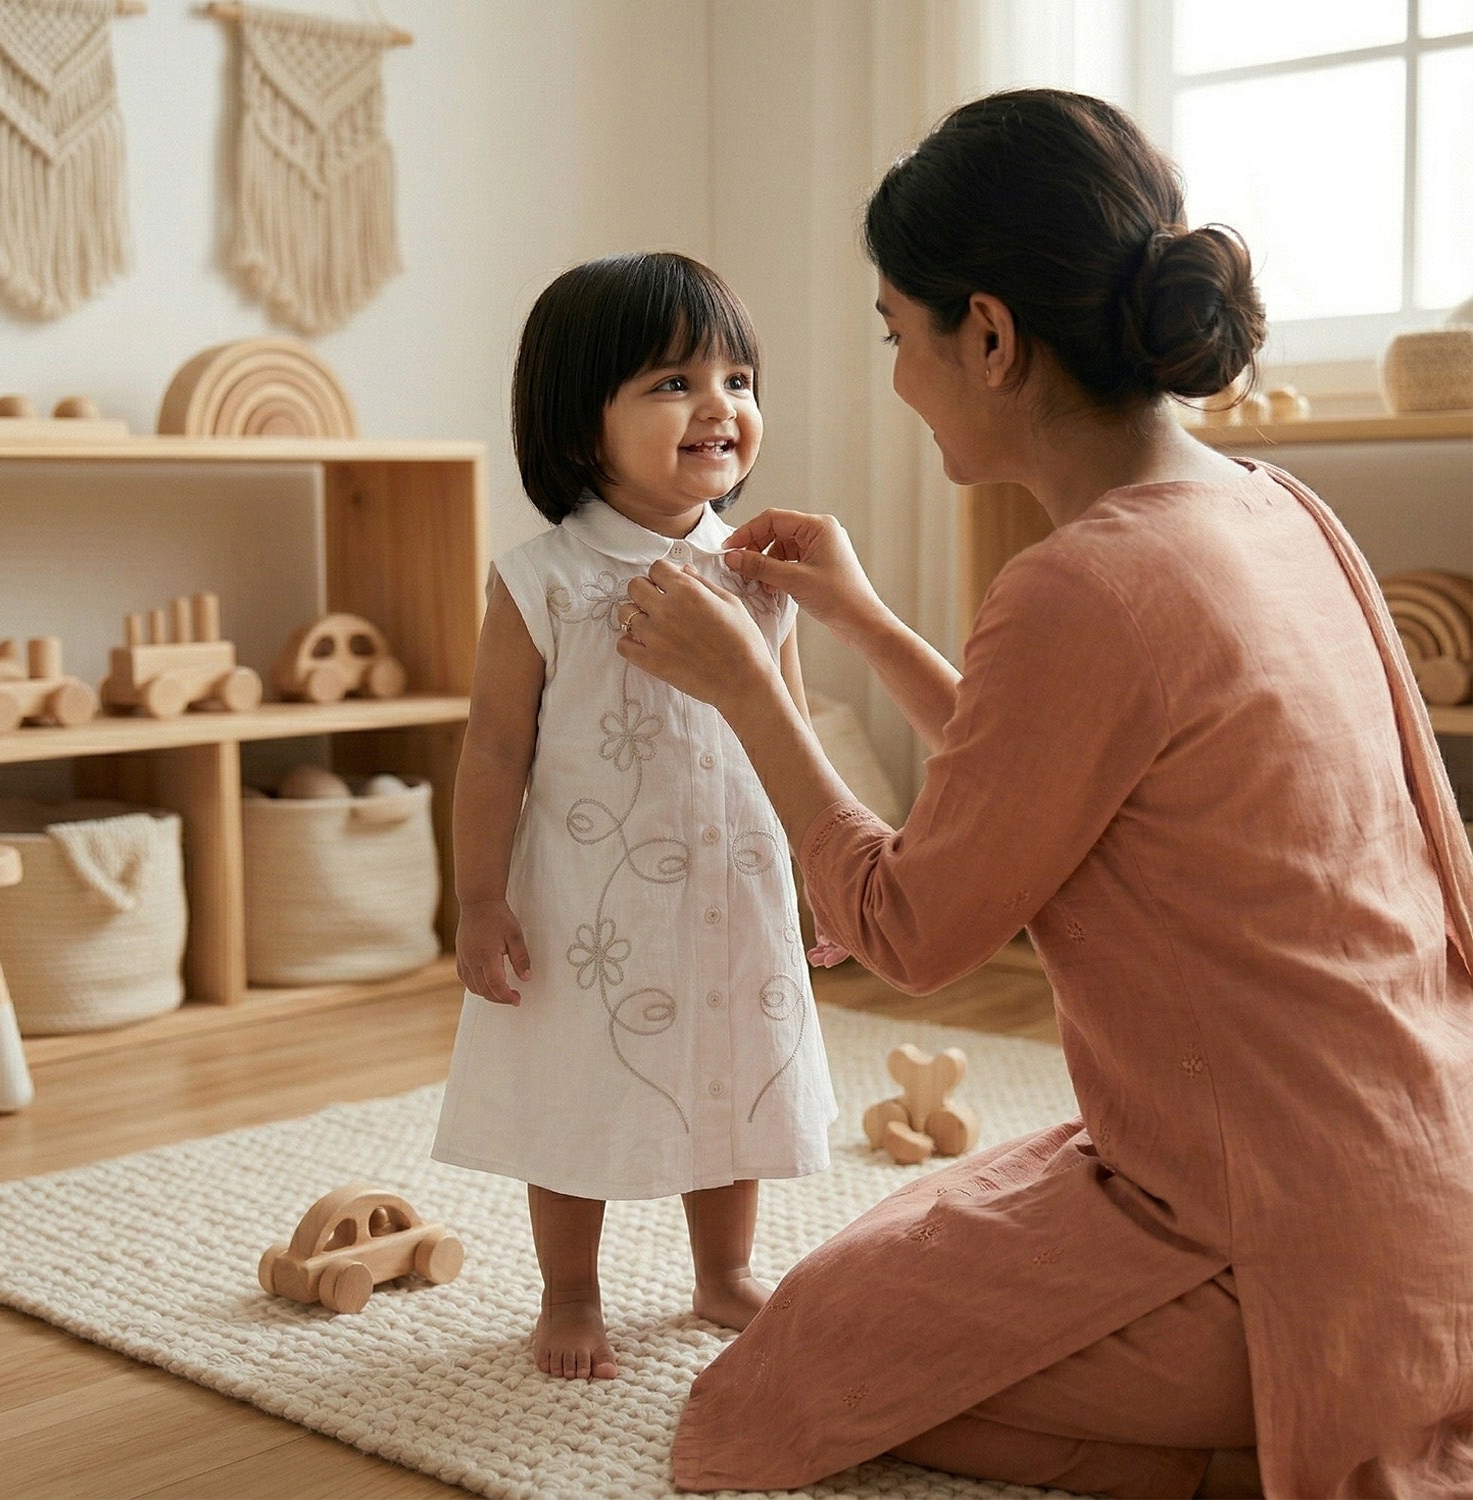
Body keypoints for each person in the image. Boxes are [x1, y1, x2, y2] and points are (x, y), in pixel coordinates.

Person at [615, 90, 1473, 1498]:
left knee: (798, 1364)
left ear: (992, 337)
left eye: (896, 334)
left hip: (1290, 1238)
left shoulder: (1081, 581)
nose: (898, 378)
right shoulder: (1277, 507)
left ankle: (1260, 1431)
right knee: (918, 1236)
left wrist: (751, 692)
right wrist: (866, 623)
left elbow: (910, 927)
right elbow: (1058, 785)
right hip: (1429, 1170)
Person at [430, 252, 837, 1383]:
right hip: (590, 911)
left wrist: (828, 869)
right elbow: (493, 751)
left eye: (738, 380)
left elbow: (794, 737)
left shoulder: (761, 575)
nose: (719, 406)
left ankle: (723, 1271)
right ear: (580, 424)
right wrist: (478, 899)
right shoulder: (545, 580)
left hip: (736, 886)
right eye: (673, 383)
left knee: (738, 1065)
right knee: (579, 1080)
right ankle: (570, 1292)